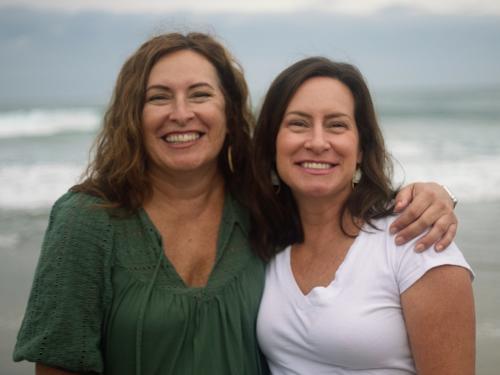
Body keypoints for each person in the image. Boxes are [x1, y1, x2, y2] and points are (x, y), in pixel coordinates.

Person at [13, 33, 459, 375]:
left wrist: (432, 195)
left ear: (229, 112)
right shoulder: (86, 221)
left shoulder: (259, 209)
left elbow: (334, 203)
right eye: (158, 97)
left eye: (201, 94)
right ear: (133, 115)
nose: (181, 113)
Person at [253, 57, 475, 374]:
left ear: (360, 148)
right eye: (298, 123)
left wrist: (442, 193)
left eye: (337, 125)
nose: (317, 142)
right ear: (272, 142)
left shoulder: (414, 241)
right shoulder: (266, 241)